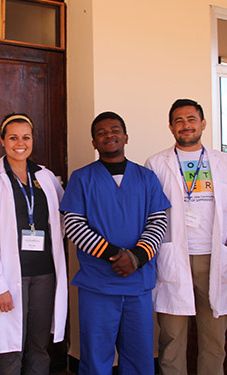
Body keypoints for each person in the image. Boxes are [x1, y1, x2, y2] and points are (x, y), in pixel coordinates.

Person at [60, 111, 170, 375]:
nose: (109, 135)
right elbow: (73, 225)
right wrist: (114, 255)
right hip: (97, 284)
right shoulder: (81, 178)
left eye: (115, 129)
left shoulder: (147, 178)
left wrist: (137, 258)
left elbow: (158, 222)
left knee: (139, 358)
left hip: (137, 284)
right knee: (96, 357)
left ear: (126, 136)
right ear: (94, 143)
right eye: (101, 132)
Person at [145, 99, 227, 375]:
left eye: (191, 119)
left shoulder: (224, 162)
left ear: (203, 123)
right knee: (171, 337)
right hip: (173, 257)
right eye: (178, 120)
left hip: (213, 257)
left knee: (214, 339)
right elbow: (149, 212)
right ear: (170, 127)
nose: (185, 125)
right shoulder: (156, 163)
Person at [0, 114, 68, 375]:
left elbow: (62, 219)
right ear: (2, 141)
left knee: (39, 346)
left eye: (26, 137)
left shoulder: (46, 178)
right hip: (9, 279)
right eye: (13, 137)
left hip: (44, 275)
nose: (20, 143)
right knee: (10, 351)